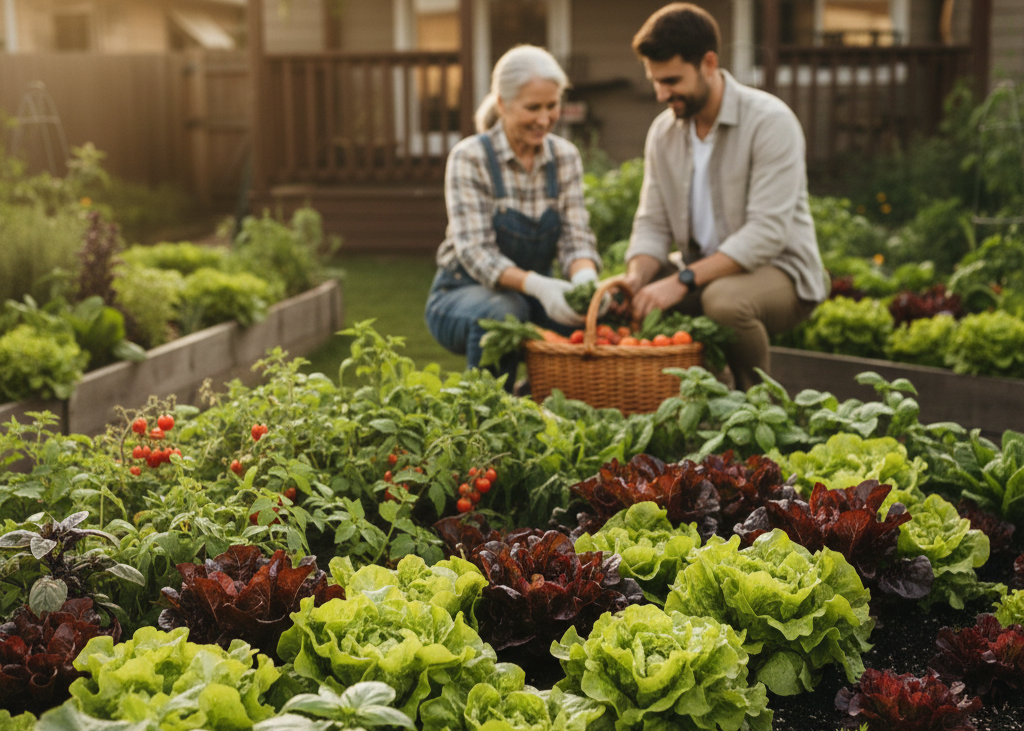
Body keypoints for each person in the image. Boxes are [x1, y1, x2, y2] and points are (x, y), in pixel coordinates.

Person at [622, 3, 828, 390]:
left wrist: (682, 280)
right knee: (630, 300)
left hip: (781, 272)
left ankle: (757, 404)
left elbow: (766, 233)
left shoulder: (769, 122)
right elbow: (652, 223)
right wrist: (636, 279)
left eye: (672, 80)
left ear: (709, 63)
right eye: (655, 81)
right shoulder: (663, 134)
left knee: (723, 302)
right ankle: (704, 396)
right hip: (701, 272)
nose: (661, 93)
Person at [425, 44, 601, 390]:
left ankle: (542, 403)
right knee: (505, 313)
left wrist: (586, 282)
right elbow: (476, 252)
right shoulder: (471, 157)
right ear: (502, 104)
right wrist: (539, 285)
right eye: (533, 107)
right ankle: (488, 408)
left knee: (595, 324)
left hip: (533, 298)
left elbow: (576, 238)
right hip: (462, 295)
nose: (544, 119)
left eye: (552, 106)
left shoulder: (565, 157)